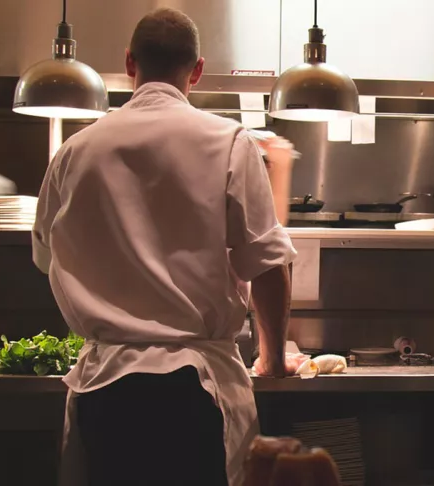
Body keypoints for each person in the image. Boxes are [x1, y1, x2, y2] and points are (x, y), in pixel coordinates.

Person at [31, 8, 297, 486]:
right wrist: (273, 359)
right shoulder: (229, 142)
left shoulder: (75, 150)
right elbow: (268, 265)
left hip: (104, 390)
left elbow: (46, 257)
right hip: (195, 391)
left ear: (130, 62)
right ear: (197, 70)